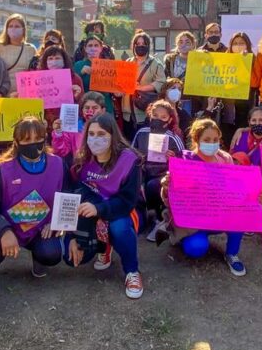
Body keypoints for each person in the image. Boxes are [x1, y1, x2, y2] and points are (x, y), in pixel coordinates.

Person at [0, 116, 70, 307]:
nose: (33, 144)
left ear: (45, 138)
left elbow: (68, 197)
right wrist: (4, 231)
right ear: (16, 142)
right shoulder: (3, 169)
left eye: (37, 139)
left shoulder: (58, 164)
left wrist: (56, 222)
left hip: (41, 229)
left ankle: (39, 258)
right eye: (26, 140)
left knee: (51, 253)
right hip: (8, 229)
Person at [63, 113, 144, 299]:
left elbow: (127, 201)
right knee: (69, 258)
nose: (95, 139)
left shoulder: (129, 160)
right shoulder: (83, 160)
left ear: (112, 135)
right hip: (92, 211)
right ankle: (104, 249)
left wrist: (99, 210)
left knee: (119, 227)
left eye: (101, 134)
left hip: (123, 211)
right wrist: (71, 235)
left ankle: (132, 271)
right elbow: (75, 194)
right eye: (91, 134)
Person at [161, 118, 246, 276]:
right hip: (193, 222)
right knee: (196, 249)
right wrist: (166, 187)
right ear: (196, 140)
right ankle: (179, 236)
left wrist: (253, 195)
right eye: (206, 140)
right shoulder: (184, 161)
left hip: (219, 215)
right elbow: (171, 198)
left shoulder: (225, 159)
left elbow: (233, 188)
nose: (212, 143)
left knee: (240, 217)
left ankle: (231, 254)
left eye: (215, 140)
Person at [131, 100, 185, 239]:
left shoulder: (173, 137)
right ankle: (142, 214)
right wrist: (139, 158)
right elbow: (131, 154)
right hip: (142, 173)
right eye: (155, 115)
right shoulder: (141, 133)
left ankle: (159, 219)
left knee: (153, 186)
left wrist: (172, 158)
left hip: (162, 176)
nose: (158, 119)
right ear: (149, 115)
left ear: (169, 120)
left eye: (163, 117)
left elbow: (183, 164)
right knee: (138, 186)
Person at [123, 31, 165, 137]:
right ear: (134, 46)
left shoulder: (155, 63)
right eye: (138, 44)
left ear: (148, 46)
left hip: (144, 112)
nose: (140, 46)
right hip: (127, 113)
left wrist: (142, 88)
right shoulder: (128, 62)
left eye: (143, 44)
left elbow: (161, 82)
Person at [35, 44, 84, 129]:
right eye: (50, 58)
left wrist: (77, 96)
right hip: (44, 124)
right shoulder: (38, 79)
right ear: (45, 62)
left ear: (64, 61)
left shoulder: (74, 78)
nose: (54, 61)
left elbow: (83, 105)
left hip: (67, 123)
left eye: (57, 58)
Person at [52, 91, 106, 159]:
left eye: (95, 108)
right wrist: (58, 133)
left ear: (103, 110)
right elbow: (61, 152)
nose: (90, 111)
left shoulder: (109, 128)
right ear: (82, 110)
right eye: (87, 108)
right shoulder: (74, 128)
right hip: (81, 167)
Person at [0, 14, 37, 96]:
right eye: (10, 26)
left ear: (23, 29)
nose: (13, 29)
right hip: (1, 93)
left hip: (24, 94)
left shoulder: (31, 49)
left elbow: (35, 71)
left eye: (17, 26)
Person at [74, 35, 116, 114]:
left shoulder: (109, 65)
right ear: (85, 49)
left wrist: (118, 91)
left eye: (96, 45)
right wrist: (81, 74)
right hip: (87, 108)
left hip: (105, 107)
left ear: (101, 48)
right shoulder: (78, 65)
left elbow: (114, 86)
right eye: (90, 45)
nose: (93, 48)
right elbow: (73, 86)